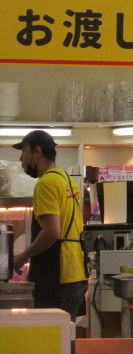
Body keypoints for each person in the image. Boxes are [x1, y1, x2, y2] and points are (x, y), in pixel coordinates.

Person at [13, 130, 87, 322]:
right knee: (65, 334)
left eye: (24, 150)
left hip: (57, 275)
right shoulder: (68, 181)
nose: (21, 158)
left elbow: (52, 232)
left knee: (51, 336)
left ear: (37, 152)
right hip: (77, 272)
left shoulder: (45, 183)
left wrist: (22, 257)